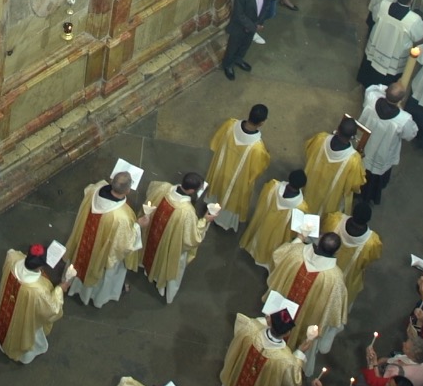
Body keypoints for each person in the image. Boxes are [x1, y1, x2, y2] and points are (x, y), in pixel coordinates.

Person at [265, 232, 348, 368]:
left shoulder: (297, 252)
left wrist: (299, 238)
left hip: (278, 307)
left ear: (319, 240)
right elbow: (335, 310)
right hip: (305, 320)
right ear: (337, 251)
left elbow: (278, 256)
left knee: (272, 330)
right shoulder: (335, 278)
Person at [63, 171, 142, 307]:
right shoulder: (120, 217)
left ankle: (73, 285)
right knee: (102, 270)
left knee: (80, 261)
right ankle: (95, 296)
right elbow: (123, 246)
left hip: (83, 242)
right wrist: (138, 226)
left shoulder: (94, 191)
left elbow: (91, 188)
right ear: (128, 190)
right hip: (101, 255)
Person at [138, 172, 218, 302]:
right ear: (192, 190)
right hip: (168, 246)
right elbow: (191, 238)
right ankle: (161, 280)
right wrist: (205, 220)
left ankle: (148, 267)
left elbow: (150, 192)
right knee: (168, 259)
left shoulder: (164, 188)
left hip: (151, 235)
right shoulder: (186, 212)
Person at [0, 245, 69, 365]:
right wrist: (59, 289)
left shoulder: (12, 258)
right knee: (24, 331)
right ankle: (23, 354)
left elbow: (12, 251)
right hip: (24, 317)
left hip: (6, 307)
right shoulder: (37, 290)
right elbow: (51, 309)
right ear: (40, 266)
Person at [204, 104, 271, 232]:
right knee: (231, 198)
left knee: (217, 188)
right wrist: (267, 155)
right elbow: (257, 170)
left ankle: (210, 207)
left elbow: (215, 142)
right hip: (237, 181)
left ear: (249, 113)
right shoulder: (257, 147)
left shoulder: (230, 125)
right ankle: (223, 221)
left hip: (221, 170)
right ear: (262, 123)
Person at [219, 307, 308, 386]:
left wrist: (265, 320)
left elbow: (241, 329)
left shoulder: (250, 330)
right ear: (287, 333)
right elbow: (293, 381)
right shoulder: (285, 359)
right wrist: (300, 352)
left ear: (270, 322)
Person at [355, 84, 417, 205]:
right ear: (401, 100)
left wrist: (385, 90)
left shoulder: (372, 99)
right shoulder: (403, 119)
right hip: (381, 154)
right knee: (374, 178)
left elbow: (371, 88)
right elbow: (411, 134)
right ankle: (368, 196)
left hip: (364, 144)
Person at [361, 0, 423, 87]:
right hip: (394, 58)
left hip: (377, 47)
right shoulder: (414, 20)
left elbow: (374, 18)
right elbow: (419, 38)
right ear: (411, 0)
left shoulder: (383, 5)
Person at [241, 170, 307, 270]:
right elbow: (294, 229)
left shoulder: (273, 186)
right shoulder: (300, 207)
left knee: (261, 235)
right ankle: (266, 260)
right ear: (302, 186)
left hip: (265, 220)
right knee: (273, 242)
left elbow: (261, 201)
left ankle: (254, 250)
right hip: (279, 232)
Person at [301, 119, 365, 217]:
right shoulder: (353, 159)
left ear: (338, 128)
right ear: (353, 137)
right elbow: (354, 185)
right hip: (330, 201)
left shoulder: (321, 138)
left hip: (310, 186)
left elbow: (308, 151)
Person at [223, 0, 275, 78]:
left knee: (245, 45)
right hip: (239, 26)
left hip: (254, 24)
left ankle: (239, 59)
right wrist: (253, 27)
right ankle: (228, 65)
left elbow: (266, 5)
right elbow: (239, 14)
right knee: (232, 47)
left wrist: (260, 22)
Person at [334, 203, 383, 299]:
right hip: (348, 277)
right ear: (368, 220)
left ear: (353, 212)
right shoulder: (371, 243)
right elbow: (369, 260)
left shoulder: (335, 221)